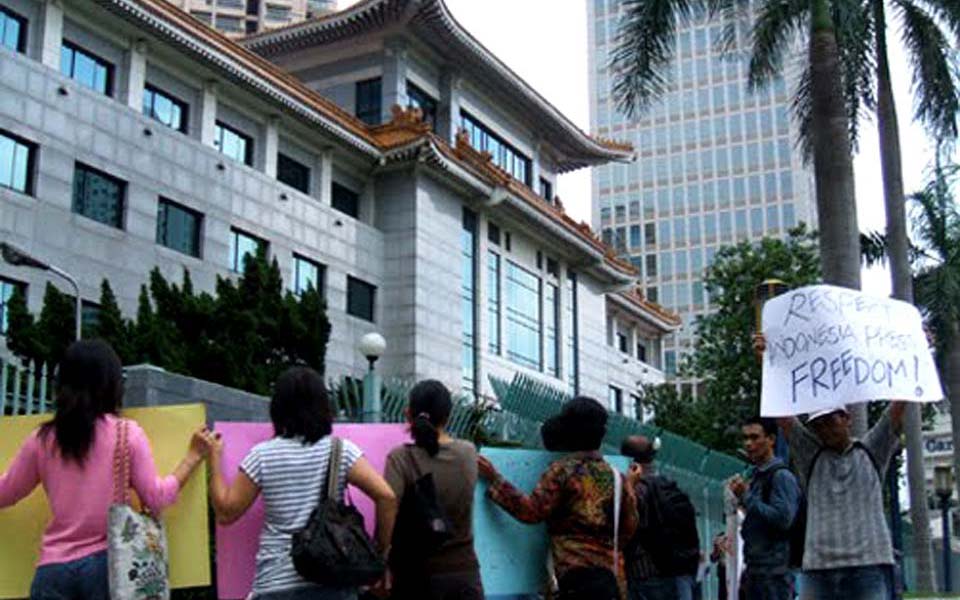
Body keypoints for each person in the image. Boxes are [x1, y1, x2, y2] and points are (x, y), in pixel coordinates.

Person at [0, 339, 207, 600]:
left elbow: (5, 492)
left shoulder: (42, 439)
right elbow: (156, 499)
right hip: (108, 567)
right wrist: (192, 457)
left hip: (52, 572)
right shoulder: (127, 434)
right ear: (112, 384)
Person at [205, 366, 398, 600]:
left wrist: (213, 459)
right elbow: (386, 496)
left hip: (275, 584)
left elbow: (226, 512)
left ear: (278, 408)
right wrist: (380, 552)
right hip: (333, 582)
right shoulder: (341, 451)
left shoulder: (262, 455)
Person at [755, 333, 906, 600]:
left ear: (846, 418)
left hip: (868, 565)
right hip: (819, 567)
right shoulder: (811, 455)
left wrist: (917, 355)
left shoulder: (870, 450)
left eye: (830, 421)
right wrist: (766, 361)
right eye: (818, 424)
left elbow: (895, 410)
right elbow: (784, 417)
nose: (825, 429)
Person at [478, 397, 638, 599]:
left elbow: (531, 512)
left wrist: (495, 479)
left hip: (575, 579)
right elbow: (629, 528)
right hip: (612, 581)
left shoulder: (563, 472)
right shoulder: (617, 477)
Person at [383, 379, 483, 600]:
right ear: (448, 415)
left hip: (415, 579)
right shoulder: (468, 453)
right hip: (464, 576)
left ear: (408, 413)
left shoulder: (400, 458)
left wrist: (382, 557)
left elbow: (388, 505)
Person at [728, 417, 801, 600]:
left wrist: (746, 497)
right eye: (745, 438)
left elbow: (783, 519)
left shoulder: (780, 476)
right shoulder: (756, 476)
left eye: (755, 438)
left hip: (774, 572)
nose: (749, 444)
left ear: (771, 440)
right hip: (755, 568)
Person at [621, 435, 700, 600]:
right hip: (674, 569)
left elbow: (627, 523)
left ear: (628, 460)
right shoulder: (667, 485)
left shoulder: (637, 489)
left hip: (644, 572)